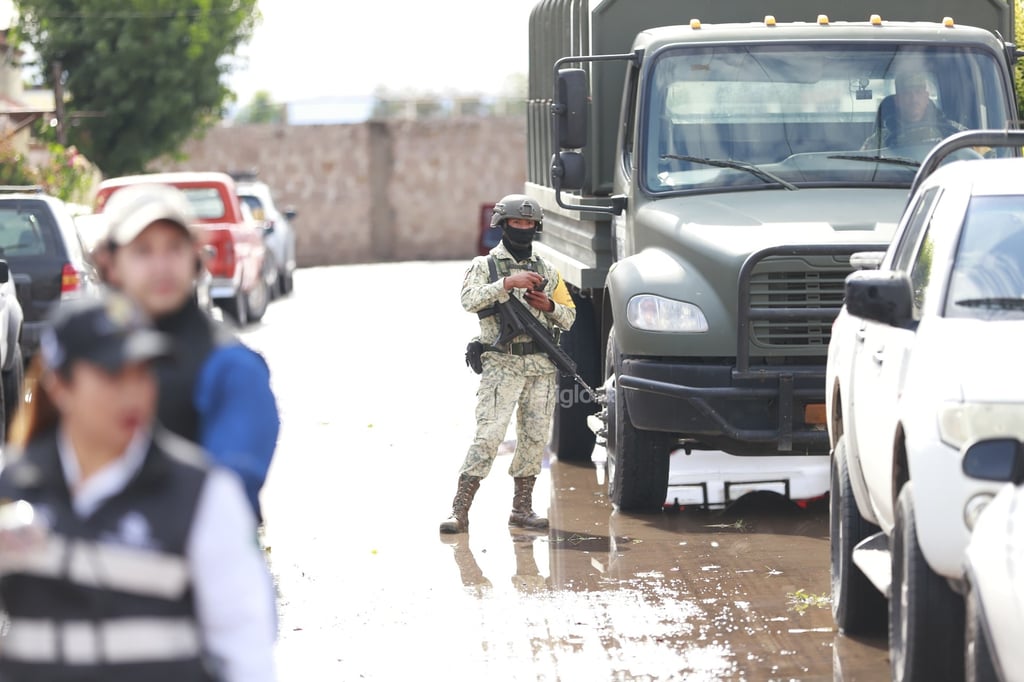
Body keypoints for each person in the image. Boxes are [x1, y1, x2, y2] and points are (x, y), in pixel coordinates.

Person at [0, 294, 276, 681]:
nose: (133, 393)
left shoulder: (204, 495)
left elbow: (245, 652)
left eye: (143, 373)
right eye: (113, 375)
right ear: (60, 387)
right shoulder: (11, 488)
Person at [94, 184, 279, 521]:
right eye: (143, 251)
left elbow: (229, 492)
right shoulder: (85, 355)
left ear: (196, 258)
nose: (161, 266)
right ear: (110, 263)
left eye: (174, 249)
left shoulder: (231, 367)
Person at [439, 194, 576, 534]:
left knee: (533, 438)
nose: (523, 229)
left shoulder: (548, 270)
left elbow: (570, 317)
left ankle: (522, 509)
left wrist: (548, 307)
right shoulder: (484, 266)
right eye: (517, 223)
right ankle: (460, 510)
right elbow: (468, 299)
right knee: (489, 435)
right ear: (503, 225)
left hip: (541, 366)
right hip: (502, 364)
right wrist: (506, 284)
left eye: (529, 224)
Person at [862, 72, 965, 149]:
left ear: (926, 97)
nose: (914, 99)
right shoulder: (880, 139)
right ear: (898, 100)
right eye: (907, 93)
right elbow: (864, 169)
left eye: (918, 92)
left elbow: (976, 155)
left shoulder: (952, 131)